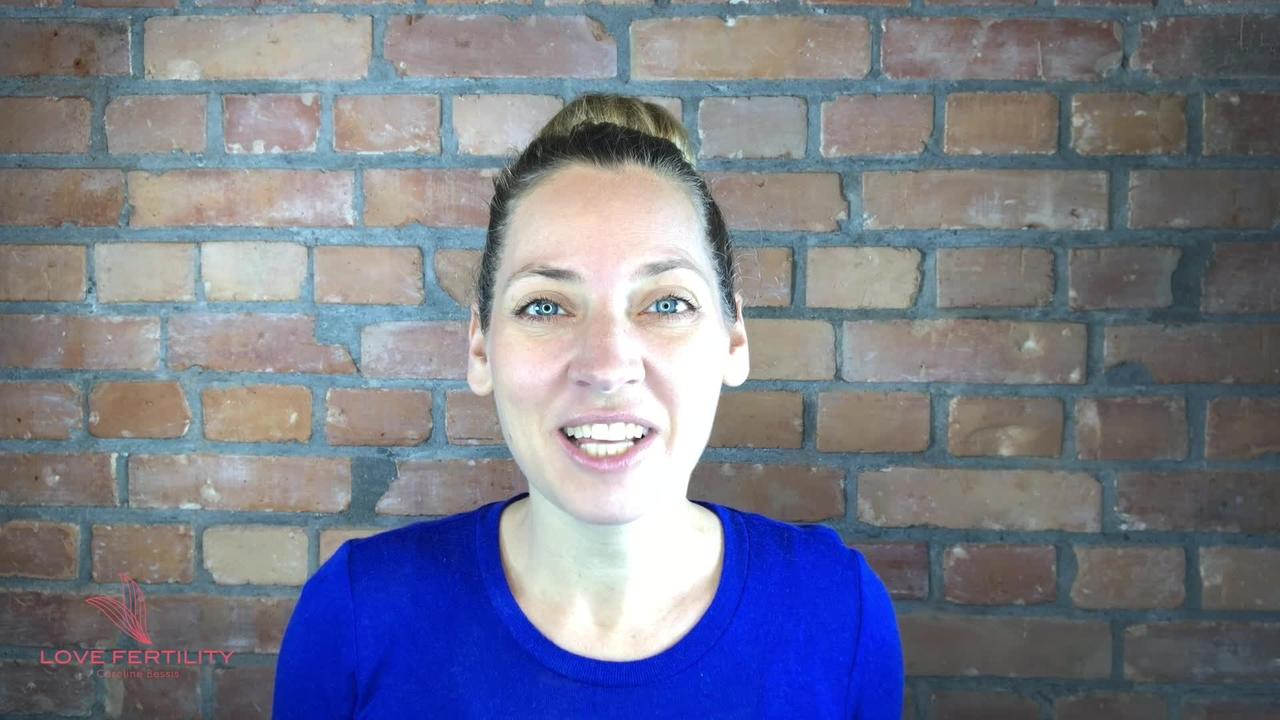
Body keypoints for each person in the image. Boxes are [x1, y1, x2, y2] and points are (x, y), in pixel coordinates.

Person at [272, 93, 904, 718]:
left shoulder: (839, 611)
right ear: (481, 346)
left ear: (733, 339)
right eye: (545, 306)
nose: (606, 367)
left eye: (667, 303)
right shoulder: (358, 616)